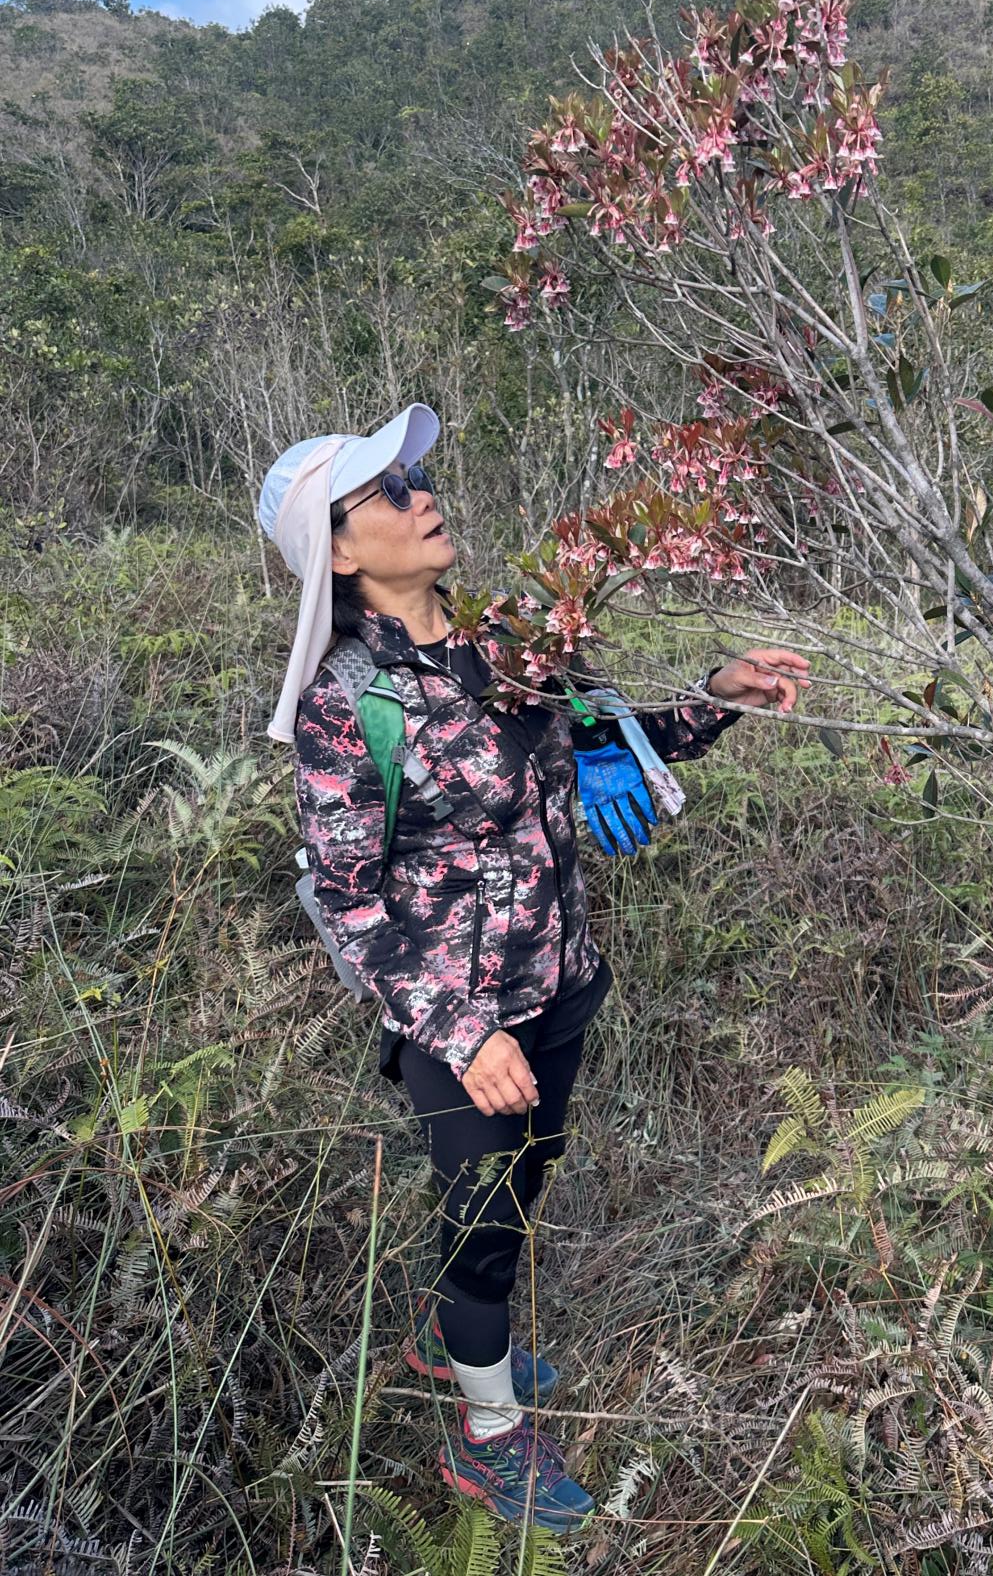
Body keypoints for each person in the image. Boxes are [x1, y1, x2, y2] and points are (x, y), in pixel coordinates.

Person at [257, 404, 810, 1532]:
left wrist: (717, 697)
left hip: (561, 981)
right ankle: (487, 1437)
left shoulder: (511, 639)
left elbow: (609, 736)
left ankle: (451, 1341)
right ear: (341, 554)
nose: (421, 495)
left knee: (530, 1173)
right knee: (482, 1230)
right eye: (387, 492)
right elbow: (351, 903)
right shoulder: (346, 705)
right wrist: (464, 1035)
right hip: (461, 1023)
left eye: (415, 477)